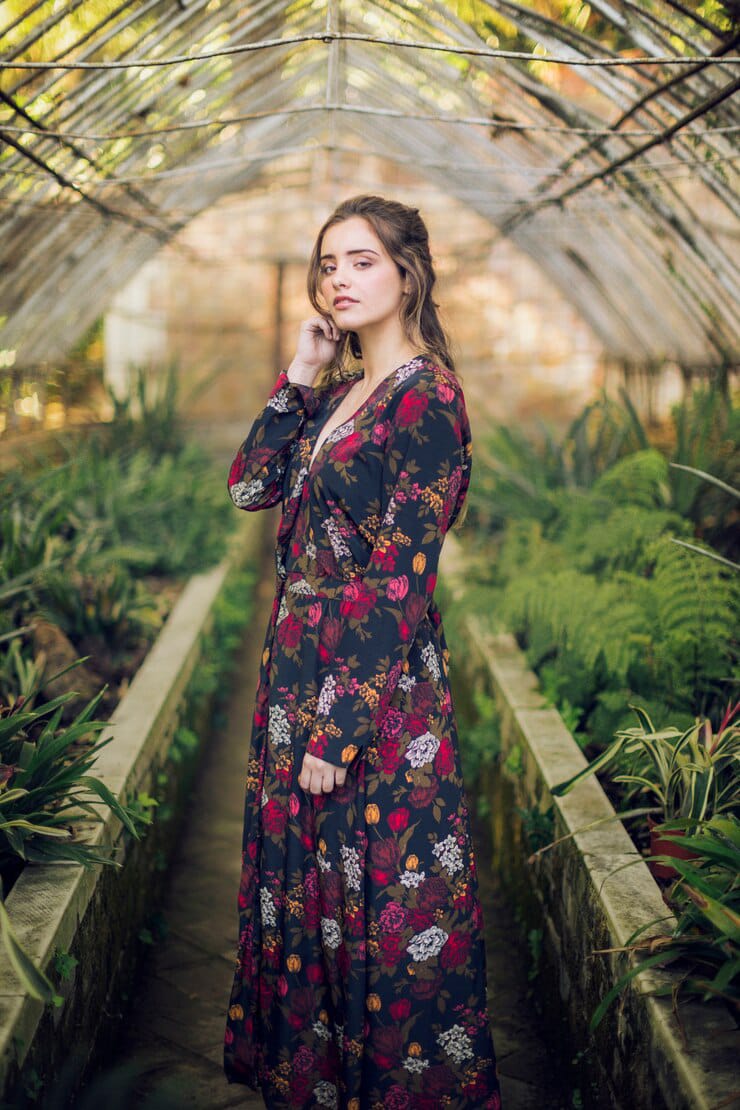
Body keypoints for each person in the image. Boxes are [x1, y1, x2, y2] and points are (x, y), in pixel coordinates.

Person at [223, 194, 502, 1109]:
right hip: (297, 676)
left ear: (408, 273)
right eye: (328, 264)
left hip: (369, 699)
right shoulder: (344, 393)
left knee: (376, 909)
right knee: (311, 904)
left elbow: (399, 581)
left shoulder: (428, 400)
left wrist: (335, 731)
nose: (338, 279)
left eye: (360, 261)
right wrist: (302, 372)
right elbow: (251, 488)